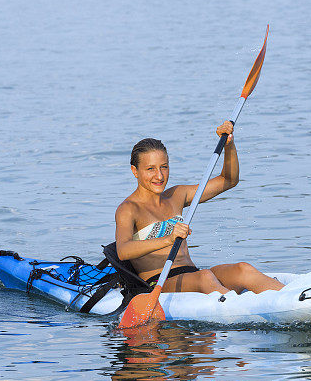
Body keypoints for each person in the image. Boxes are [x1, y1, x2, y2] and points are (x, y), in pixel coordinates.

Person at [114, 121, 285, 295]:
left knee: (243, 269)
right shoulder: (128, 208)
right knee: (205, 277)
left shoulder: (177, 195)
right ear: (135, 171)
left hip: (193, 275)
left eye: (164, 167)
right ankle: (239, 308)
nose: (159, 175)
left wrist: (229, 145)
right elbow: (123, 251)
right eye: (150, 169)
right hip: (159, 283)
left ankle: (294, 297)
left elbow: (229, 180)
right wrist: (168, 239)